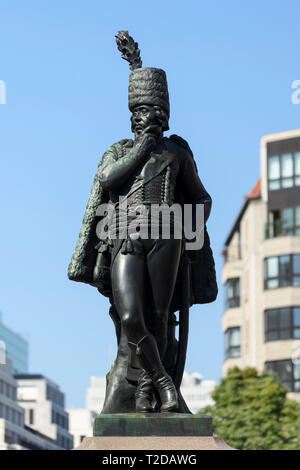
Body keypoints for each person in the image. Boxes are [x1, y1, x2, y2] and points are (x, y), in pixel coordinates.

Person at [68, 32, 217, 414]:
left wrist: (188, 231)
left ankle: (147, 388)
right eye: (137, 114)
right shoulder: (120, 150)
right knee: (130, 314)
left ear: (162, 117)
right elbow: (108, 180)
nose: (142, 119)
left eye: (149, 114)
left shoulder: (177, 153)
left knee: (160, 318)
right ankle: (163, 382)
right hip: (127, 237)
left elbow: (201, 198)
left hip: (167, 236)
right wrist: (142, 148)